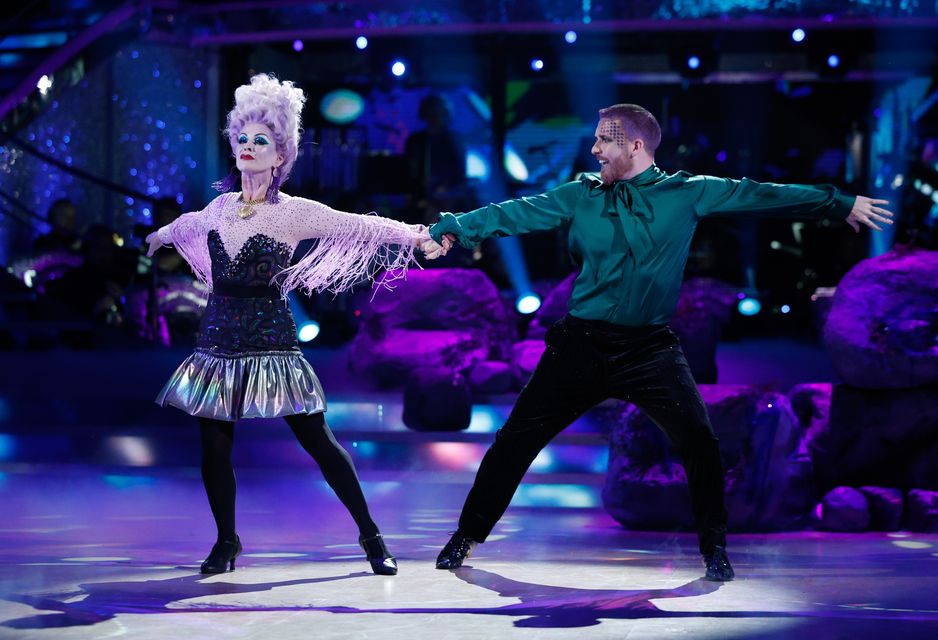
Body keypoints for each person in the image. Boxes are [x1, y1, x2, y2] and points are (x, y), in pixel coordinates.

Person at [427, 103, 893, 581]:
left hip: (648, 350)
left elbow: (761, 195)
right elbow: (518, 212)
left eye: (603, 141)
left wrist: (838, 202)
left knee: (701, 442)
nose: (593, 149)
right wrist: (454, 229)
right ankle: (467, 535)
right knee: (514, 443)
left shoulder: (689, 193)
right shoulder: (582, 194)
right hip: (580, 346)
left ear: (634, 145)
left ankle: (714, 547)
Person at [146, 74, 440, 576]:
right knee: (214, 446)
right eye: (242, 138)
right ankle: (226, 542)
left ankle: (371, 537)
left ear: (280, 155)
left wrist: (416, 236)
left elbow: (360, 225)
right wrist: (158, 236)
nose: (248, 147)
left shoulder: (293, 213)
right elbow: (185, 225)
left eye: (261, 141)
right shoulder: (217, 209)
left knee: (319, 441)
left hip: (271, 338)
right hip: (218, 341)